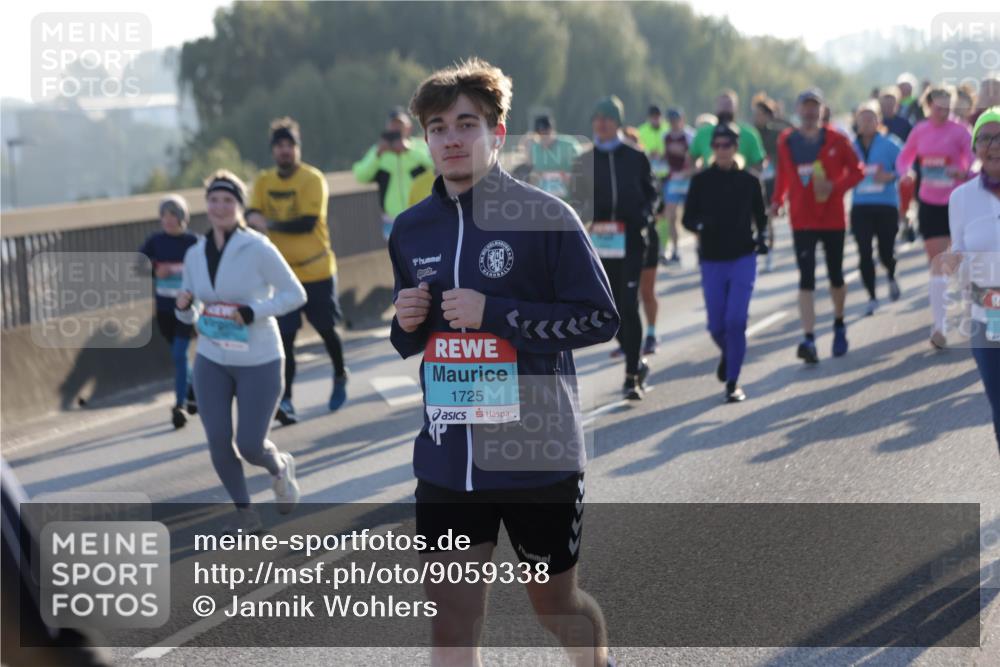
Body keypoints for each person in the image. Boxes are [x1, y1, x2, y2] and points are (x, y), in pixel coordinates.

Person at [390, 57, 620, 667]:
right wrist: (404, 323)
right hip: (449, 464)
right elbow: (415, 340)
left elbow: (600, 318)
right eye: (438, 127)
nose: (452, 139)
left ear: (496, 130)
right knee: (451, 624)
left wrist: (497, 312)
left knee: (556, 609)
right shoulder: (411, 230)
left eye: (466, 123)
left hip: (536, 460)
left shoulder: (547, 218)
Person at [176, 170, 306, 534]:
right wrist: (185, 306)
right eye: (214, 200)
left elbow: (295, 294)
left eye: (228, 201)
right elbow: (187, 309)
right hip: (212, 357)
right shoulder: (194, 253)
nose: (220, 207)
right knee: (217, 439)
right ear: (206, 205)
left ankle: (279, 468)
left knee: (249, 444)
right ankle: (245, 512)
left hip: (259, 358)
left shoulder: (259, 248)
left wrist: (253, 311)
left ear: (239, 206)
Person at [247, 117, 349, 423]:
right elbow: (250, 212)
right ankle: (287, 399)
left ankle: (340, 372)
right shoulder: (263, 181)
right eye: (279, 146)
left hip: (316, 269)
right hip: (282, 276)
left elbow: (306, 222)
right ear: (273, 151)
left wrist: (269, 223)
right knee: (286, 339)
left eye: (290, 145)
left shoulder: (313, 179)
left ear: (298, 148)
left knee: (326, 330)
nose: (285, 151)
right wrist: (254, 217)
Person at [770, 88, 864, 363]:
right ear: (797, 111)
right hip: (802, 219)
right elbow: (783, 175)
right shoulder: (786, 141)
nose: (810, 112)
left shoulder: (836, 139)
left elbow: (857, 171)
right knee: (806, 278)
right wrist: (777, 200)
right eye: (805, 107)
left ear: (822, 110)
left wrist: (835, 186)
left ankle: (838, 322)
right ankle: (808, 338)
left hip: (833, 217)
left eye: (815, 107)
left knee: (836, 275)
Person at [573, 95, 658, 399]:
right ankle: (636, 358)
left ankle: (631, 375)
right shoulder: (585, 160)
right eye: (597, 118)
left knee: (628, 305)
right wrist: (585, 218)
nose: (601, 123)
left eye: (607, 118)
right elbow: (576, 199)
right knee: (610, 311)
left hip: (632, 241)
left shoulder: (635, 157)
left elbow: (652, 193)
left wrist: (645, 216)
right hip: (600, 244)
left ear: (618, 123)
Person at [683, 123, 768, 402]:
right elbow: (686, 219)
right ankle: (729, 354)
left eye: (727, 146)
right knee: (716, 326)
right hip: (712, 260)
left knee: (735, 321)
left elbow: (761, 217)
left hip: (743, 257)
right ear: (712, 149)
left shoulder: (749, 181)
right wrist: (701, 224)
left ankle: (733, 381)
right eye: (717, 146)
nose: (722, 150)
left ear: (735, 148)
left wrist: (763, 238)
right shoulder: (700, 181)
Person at [896, 85, 975, 349]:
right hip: (929, 202)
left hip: (958, 203)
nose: (944, 112)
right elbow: (903, 158)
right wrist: (906, 173)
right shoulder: (920, 131)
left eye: (948, 107)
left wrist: (962, 171)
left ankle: (971, 317)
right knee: (937, 263)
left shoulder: (961, 130)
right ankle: (939, 329)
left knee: (964, 263)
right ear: (929, 105)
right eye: (939, 107)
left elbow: (976, 161)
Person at [948, 107, 1000, 449]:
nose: (993, 145)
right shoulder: (961, 198)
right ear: (975, 147)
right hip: (988, 318)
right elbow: (958, 256)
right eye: (984, 138)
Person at [139, 194, 198, 428]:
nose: (168, 220)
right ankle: (193, 390)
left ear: (182, 217)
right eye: (164, 215)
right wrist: (155, 269)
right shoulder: (155, 241)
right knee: (179, 355)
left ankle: (180, 404)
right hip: (164, 308)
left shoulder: (194, 242)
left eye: (173, 215)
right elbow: (138, 264)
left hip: (188, 307)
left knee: (179, 354)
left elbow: (206, 268)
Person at [850, 101, 903, 316]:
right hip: (860, 206)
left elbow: (906, 167)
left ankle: (890, 273)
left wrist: (890, 176)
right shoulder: (850, 147)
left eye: (871, 118)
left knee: (885, 251)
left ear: (878, 121)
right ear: (857, 123)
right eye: (862, 119)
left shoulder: (890, 144)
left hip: (886, 205)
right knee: (864, 252)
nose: (867, 123)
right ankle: (872, 297)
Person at [353, 106, 436, 240]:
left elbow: (435, 165)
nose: (396, 128)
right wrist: (378, 154)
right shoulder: (378, 151)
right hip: (392, 221)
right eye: (393, 124)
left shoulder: (420, 146)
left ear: (409, 127)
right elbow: (360, 175)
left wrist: (408, 150)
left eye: (400, 124)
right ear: (387, 127)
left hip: (423, 215)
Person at [752, 92, 792, 272]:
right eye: (756, 114)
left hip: (772, 178)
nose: (758, 117)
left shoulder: (777, 131)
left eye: (761, 114)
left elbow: (792, 133)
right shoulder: (750, 132)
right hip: (754, 178)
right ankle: (757, 247)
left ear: (768, 115)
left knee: (767, 215)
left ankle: (769, 253)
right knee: (754, 217)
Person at [689, 90, 767, 173]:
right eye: (722, 105)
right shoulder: (703, 133)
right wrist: (698, 174)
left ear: (736, 107)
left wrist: (746, 179)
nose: (725, 109)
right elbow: (691, 157)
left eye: (728, 105)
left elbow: (759, 162)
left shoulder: (749, 134)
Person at [661, 107, 695, 265]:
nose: (674, 124)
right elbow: (663, 157)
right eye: (671, 121)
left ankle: (699, 247)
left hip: (687, 179)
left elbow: (695, 158)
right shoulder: (665, 136)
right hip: (673, 180)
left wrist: (688, 170)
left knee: (692, 215)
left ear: (682, 120)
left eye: (676, 120)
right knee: (671, 216)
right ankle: (675, 249)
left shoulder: (689, 135)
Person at [521, 114, 582, 200]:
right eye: (539, 133)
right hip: (544, 200)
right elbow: (530, 174)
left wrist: (567, 176)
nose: (543, 136)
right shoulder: (535, 149)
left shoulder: (569, 145)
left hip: (568, 199)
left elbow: (582, 169)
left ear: (552, 129)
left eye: (546, 131)